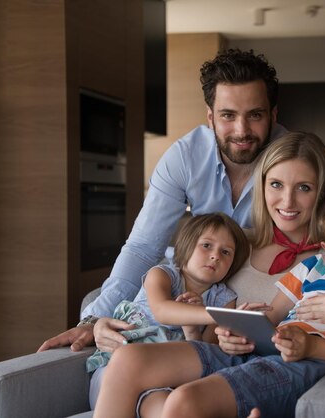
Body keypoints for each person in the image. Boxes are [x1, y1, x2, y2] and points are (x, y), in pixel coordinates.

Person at [92, 147, 325, 418]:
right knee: (127, 361)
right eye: (276, 185)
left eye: (304, 188)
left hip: (300, 361)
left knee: (183, 402)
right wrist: (233, 329)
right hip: (256, 350)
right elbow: (268, 318)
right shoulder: (278, 255)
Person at [38, 48, 285, 354]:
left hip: (253, 297)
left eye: (255, 115)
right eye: (227, 115)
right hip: (192, 292)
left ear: (273, 116)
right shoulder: (185, 157)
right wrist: (92, 319)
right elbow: (144, 246)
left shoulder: (293, 161)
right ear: (210, 117)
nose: (242, 130)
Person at [85, 213, 249, 388]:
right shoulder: (163, 274)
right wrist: (224, 317)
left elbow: (205, 354)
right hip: (119, 361)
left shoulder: (224, 299)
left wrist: (192, 328)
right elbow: (162, 311)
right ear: (186, 245)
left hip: (169, 372)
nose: (216, 256)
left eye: (226, 252)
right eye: (206, 245)